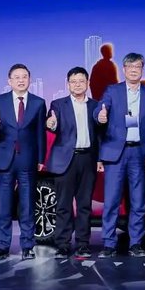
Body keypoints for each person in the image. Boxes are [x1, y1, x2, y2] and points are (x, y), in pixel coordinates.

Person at [94, 53, 145, 258]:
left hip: (140, 152)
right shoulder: (112, 91)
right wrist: (100, 116)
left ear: (142, 69)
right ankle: (109, 244)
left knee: (138, 202)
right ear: (124, 70)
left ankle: (136, 243)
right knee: (112, 201)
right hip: (116, 153)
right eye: (130, 67)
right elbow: (98, 111)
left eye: (137, 66)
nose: (133, 70)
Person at [0, 64, 47, 260]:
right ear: (9, 81)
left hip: (28, 160)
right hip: (5, 159)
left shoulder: (38, 103)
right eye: (17, 77)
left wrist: (41, 159)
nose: (21, 80)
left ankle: (28, 245)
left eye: (24, 76)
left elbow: (40, 133)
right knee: (4, 206)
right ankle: (2, 246)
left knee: (27, 205)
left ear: (29, 79)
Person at [46, 66, 101, 260]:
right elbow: (51, 123)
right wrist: (51, 124)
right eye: (73, 81)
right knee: (63, 205)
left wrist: (100, 159)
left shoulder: (95, 106)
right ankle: (62, 244)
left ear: (87, 83)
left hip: (87, 159)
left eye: (81, 81)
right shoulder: (58, 104)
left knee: (85, 205)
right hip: (65, 160)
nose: (77, 85)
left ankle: (83, 244)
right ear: (68, 84)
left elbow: (100, 134)